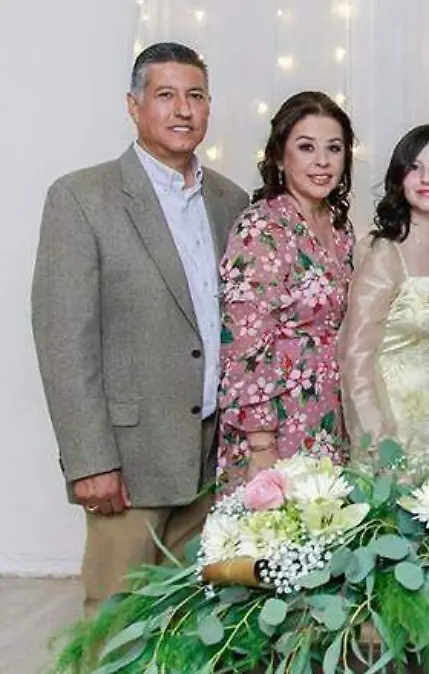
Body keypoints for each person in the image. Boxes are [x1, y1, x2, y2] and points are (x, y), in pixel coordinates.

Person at [30, 43, 249, 614]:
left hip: (210, 457)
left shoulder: (230, 200)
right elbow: (63, 339)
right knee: (115, 625)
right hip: (129, 460)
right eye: (166, 95)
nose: (183, 109)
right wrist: (89, 460)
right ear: (134, 106)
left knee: (193, 624)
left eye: (196, 95)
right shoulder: (82, 198)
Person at [217, 91, 356, 489]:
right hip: (277, 418)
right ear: (280, 157)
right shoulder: (261, 228)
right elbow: (243, 343)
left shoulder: (340, 226)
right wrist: (261, 444)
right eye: (306, 147)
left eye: (334, 148)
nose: (322, 161)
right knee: (279, 523)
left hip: (330, 410)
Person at [339, 125, 429, 462]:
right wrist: (379, 443)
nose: (427, 177)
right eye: (414, 167)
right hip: (395, 426)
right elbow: (356, 356)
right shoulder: (385, 253)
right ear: (400, 179)